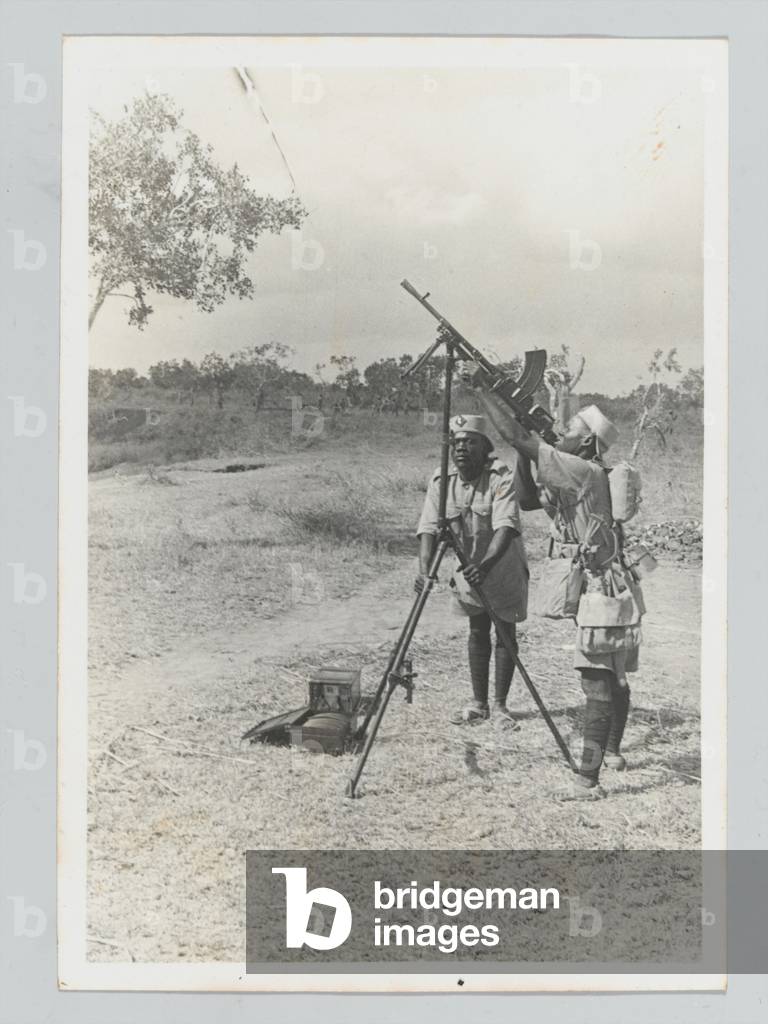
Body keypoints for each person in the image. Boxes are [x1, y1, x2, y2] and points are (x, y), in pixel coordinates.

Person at [467, 377, 641, 799]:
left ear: (586, 446)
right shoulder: (578, 474)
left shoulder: (581, 471)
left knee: (596, 681)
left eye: (570, 433)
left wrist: (481, 389)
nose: (560, 436)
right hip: (614, 588)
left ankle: (588, 779)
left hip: (603, 592)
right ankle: (612, 752)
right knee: (613, 675)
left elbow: (510, 433)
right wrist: (527, 451)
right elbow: (527, 500)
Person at [415, 414, 530, 726]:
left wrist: (487, 565)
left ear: (485, 447)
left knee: (505, 633)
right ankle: (479, 703)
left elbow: (506, 527)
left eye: (470, 442)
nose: (462, 448)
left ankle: (501, 707)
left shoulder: (500, 477)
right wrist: (425, 571)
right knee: (477, 630)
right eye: (457, 442)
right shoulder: (442, 480)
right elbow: (428, 528)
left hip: (501, 565)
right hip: (467, 569)